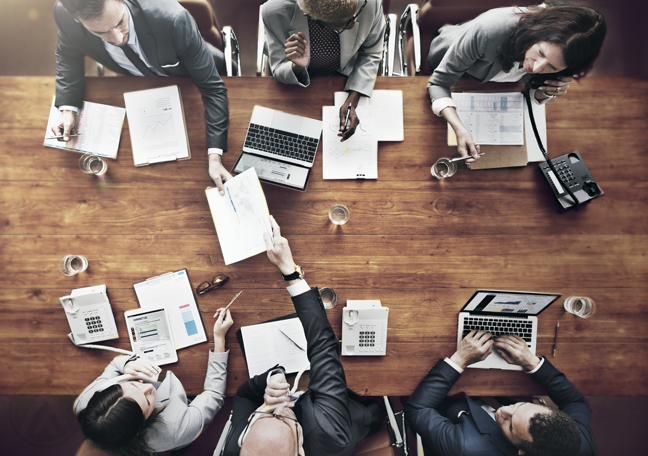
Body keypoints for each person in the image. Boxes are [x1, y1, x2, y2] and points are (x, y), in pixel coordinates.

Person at [223, 216, 384, 456]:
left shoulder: (240, 445)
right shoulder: (327, 430)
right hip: (350, 415)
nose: (280, 405)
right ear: (299, 448)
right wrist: (290, 271)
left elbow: (245, 395)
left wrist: (269, 381)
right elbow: (323, 347)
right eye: (284, 418)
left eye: (266, 415)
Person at [52, 0, 231, 192]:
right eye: (101, 33)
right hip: (139, 88)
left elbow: (212, 88)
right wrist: (68, 108)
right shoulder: (64, 15)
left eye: (120, 22)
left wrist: (215, 156)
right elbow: (67, 55)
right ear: (76, 20)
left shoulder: (173, 20)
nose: (118, 38)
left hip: (190, 80)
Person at [426, 2, 606, 161]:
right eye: (541, 53)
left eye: (552, 67)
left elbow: (533, 89)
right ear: (536, 32)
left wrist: (550, 90)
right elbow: (438, 83)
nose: (536, 69)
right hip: (452, 65)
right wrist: (458, 128)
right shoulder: (488, 30)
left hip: (492, 85)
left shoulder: (565, 53)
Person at [404, 331, 597, 456]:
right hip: (501, 385)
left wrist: (459, 359)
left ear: (521, 453)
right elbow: (576, 402)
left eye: (511, 425)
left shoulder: (467, 448)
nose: (504, 411)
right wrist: (532, 362)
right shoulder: (579, 441)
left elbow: (418, 409)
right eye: (519, 408)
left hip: (446, 399)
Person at [74, 308, 233, 456]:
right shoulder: (177, 429)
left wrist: (126, 364)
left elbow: (115, 365)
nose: (147, 387)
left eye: (132, 385)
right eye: (147, 400)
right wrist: (219, 338)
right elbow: (214, 394)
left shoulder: (87, 402)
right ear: (140, 426)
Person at [261, 0, 385, 141]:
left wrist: (354, 96)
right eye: (346, 23)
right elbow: (278, 67)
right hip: (296, 87)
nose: (354, 22)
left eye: (357, 11)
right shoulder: (273, 12)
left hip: (346, 76)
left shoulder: (370, 2)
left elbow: (371, 53)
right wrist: (298, 66)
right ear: (313, 18)